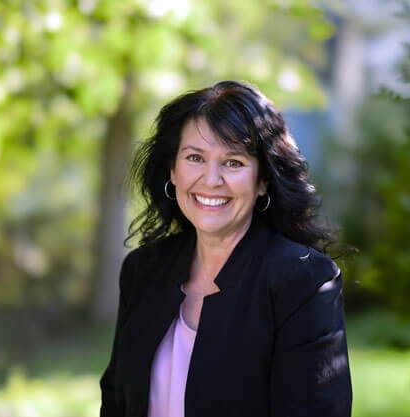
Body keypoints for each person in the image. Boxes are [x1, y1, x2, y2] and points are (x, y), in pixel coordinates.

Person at [99, 80, 352, 417]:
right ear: (173, 170)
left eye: (233, 162)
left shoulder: (303, 281)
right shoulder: (143, 270)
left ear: (263, 180)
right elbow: (116, 401)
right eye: (194, 158)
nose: (211, 179)